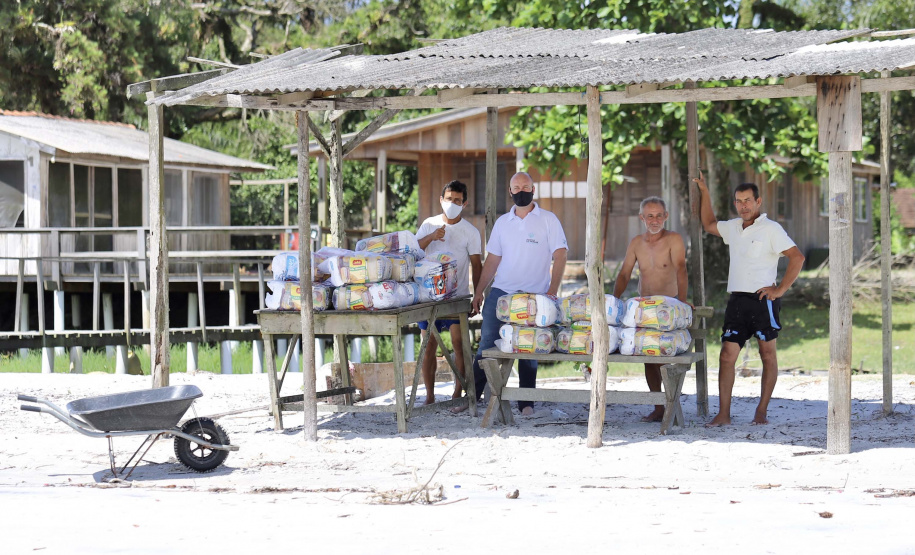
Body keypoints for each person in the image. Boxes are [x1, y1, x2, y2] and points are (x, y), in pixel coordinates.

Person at [694, 172, 805, 426]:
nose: (743, 206)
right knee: (726, 356)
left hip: (762, 300)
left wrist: (780, 290)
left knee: (767, 356)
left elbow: (797, 257)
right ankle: (723, 414)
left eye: (747, 200)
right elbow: (709, 224)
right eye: (738, 201)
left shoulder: (771, 229)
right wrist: (704, 189)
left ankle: (761, 411)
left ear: (758, 202)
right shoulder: (733, 227)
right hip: (736, 302)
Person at [469, 172, 568, 416]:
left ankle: (526, 403)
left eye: (525, 186)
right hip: (502, 294)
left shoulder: (548, 220)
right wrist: (479, 292)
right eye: (516, 187)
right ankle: (471, 398)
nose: (521, 190)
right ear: (510, 191)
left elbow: (561, 254)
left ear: (533, 189)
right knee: (486, 345)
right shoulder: (503, 223)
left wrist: (552, 292)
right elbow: (492, 260)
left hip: (536, 297)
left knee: (529, 349)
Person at [613, 196, 687, 422]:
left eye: (658, 215)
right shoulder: (636, 242)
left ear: (665, 216)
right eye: (649, 216)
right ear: (642, 218)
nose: (654, 220)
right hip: (644, 309)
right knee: (648, 357)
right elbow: (625, 273)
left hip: (669, 306)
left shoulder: (674, 239)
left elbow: (681, 269)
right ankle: (658, 407)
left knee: (663, 357)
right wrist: (613, 302)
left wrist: (682, 304)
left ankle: (671, 405)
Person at [415, 180, 483, 406]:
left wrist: (477, 294)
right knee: (428, 347)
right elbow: (414, 251)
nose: (451, 203)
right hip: (429, 298)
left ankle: (457, 393)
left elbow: (477, 264)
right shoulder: (428, 224)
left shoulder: (470, 232)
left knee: (459, 344)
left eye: (457, 200)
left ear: (465, 203)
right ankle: (430, 396)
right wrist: (432, 237)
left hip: (457, 297)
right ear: (440, 200)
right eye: (448, 199)